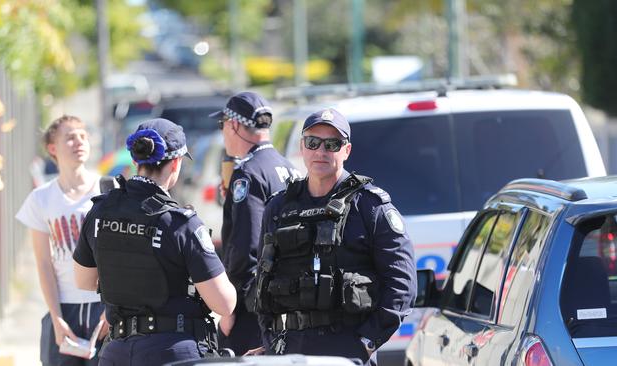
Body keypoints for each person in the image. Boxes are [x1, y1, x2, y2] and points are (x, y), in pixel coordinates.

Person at [253, 108, 417, 365]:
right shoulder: (279, 207)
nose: (321, 151)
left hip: (345, 348)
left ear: (346, 150)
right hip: (288, 349)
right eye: (313, 142)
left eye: (332, 144)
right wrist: (269, 340)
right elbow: (263, 279)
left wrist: (367, 343)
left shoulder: (370, 206)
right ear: (302, 147)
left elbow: (401, 284)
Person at [72, 118, 236, 365]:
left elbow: (84, 281)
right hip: (171, 352)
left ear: (136, 160)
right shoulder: (180, 223)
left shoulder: (100, 211)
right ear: (176, 163)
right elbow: (224, 304)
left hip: (116, 352)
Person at [209, 91, 301, 355]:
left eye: (223, 124)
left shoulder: (248, 173)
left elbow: (245, 248)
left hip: (255, 308)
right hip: (289, 299)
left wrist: (231, 310)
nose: (223, 132)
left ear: (234, 125)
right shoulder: (289, 168)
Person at [16, 115, 109, 365]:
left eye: (82, 135)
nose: (78, 141)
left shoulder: (108, 190)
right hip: (64, 308)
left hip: (104, 307)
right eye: (70, 137)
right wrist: (56, 319)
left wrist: (113, 311)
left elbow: (124, 259)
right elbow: (44, 263)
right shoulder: (41, 199)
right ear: (52, 149)